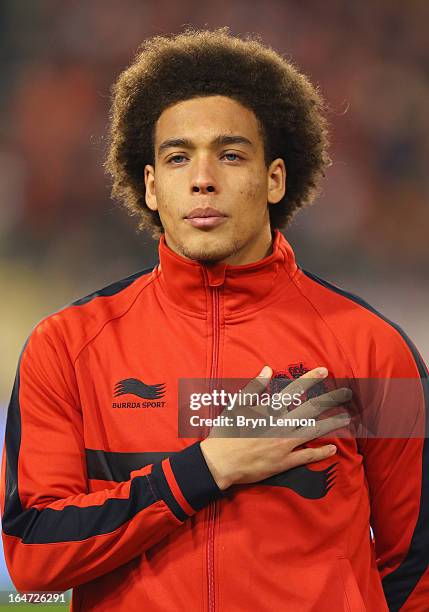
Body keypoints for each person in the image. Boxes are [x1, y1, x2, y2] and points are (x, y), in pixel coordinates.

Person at [1, 28, 428, 612]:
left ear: (275, 179)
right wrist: (204, 469)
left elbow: (418, 566)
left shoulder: (373, 347)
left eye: (230, 154)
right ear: (151, 186)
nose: (203, 178)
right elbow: (33, 558)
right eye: (178, 157)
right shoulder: (67, 348)